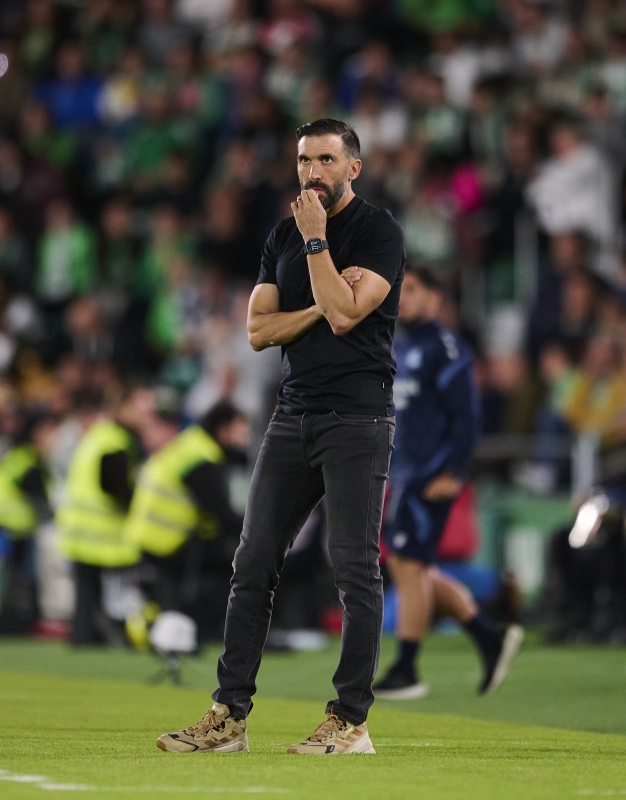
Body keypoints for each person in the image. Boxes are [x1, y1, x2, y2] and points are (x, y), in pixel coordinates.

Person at [158, 119, 403, 756]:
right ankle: (228, 717)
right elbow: (258, 331)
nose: (311, 172)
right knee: (252, 564)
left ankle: (350, 721)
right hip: (292, 416)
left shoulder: (377, 231)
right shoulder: (280, 234)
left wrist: (318, 243)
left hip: (357, 419)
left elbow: (347, 318)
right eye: (303, 160)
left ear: (353, 168)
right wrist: (323, 299)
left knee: (354, 569)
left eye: (326, 160)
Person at [372, 266, 523, 700]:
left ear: (435, 298)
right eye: (399, 290)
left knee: (408, 564)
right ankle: (487, 636)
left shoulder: (446, 347)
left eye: (412, 289)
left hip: (430, 474)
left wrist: (454, 472)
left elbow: (467, 417)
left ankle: (407, 667)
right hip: (404, 473)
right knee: (410, 566)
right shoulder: (403, 344)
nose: (402, 298)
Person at [125, 400, 248, 621]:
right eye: (242, 431)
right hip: (165, 540)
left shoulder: (193, 444)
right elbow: (221, 513)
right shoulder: (200, 459)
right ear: (223, 430)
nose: (247, 438)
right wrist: (262, 534)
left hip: (149, 535)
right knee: (238, 562)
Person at [56, 385, 155, 645]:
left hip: (79, 529)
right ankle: (134, 634)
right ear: (123, 407)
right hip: (103, 533)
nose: (148, 412)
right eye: (141, 406)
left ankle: (85, 640)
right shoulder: (116, 441)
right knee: (134, 586)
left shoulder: (100, 435)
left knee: (87, 596)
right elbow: (115, 486)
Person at [0, 414, 59, 632]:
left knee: (9, 576)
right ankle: (19, 617)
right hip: (9, 521)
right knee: (20, 576)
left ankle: (10, 616)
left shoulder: (18, 456)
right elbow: (41, 500)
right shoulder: (30, 459)